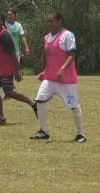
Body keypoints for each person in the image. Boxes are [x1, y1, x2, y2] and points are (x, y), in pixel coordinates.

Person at [31, 12, 86, 143]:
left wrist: (62, 69)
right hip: (50, 79)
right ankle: (44, 131)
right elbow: (50, 58)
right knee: (40, 100)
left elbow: (71, 55)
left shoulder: (67, 35)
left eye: (52, 21)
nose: (49, 24)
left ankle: (81, 134)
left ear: (59, 21)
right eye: (48, 21)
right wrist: (45, 71)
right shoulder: (47, 37)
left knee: (73, 105)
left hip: (66, 79)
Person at [0, 12, 37, 125]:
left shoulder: (5, 35)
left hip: (6, 69)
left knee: (9, 92)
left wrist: (17, 71)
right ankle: (1, 118)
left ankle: (32, 103)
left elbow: (13, 54)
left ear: (2, 22)